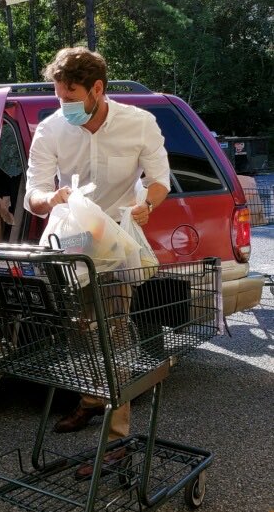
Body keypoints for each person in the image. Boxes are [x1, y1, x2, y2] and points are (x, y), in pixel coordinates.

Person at [24, 47, 170, 475]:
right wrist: (48, 198)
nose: (62, 105)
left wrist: (148, 205)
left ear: (97, 90)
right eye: (58, 96)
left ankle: (117, 440)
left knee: (113, 333)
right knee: (78, 330)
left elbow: (159, 180)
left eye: (70, 97)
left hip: (115, 247)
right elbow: (33, 193)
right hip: (69, 245)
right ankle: (90, 399)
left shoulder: (138, 123)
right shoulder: (51, 129)